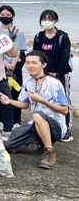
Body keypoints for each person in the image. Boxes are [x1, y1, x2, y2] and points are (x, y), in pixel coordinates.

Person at [1, 51, 69, 169]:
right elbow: (24, 104)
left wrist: (42, 100)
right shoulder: (28, 83)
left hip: (56, 126)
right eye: (27, 63)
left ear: (44, 65)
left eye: (34, 63)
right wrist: (10, 101)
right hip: (35, 124)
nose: (30, 66)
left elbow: (65, 110)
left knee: (37, 115)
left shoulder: (54, 83)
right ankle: (39, 140)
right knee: (10, 146)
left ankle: (49, 151)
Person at [32, 10, 73, 142]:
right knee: (43, 99)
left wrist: (57, 74)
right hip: (42, 74)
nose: (47, 20)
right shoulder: (39, 36)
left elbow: (65, 56)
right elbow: (35, 55)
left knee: (63, 100)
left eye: (50, 18)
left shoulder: (62, 37)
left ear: (56, 20)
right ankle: (45, 126)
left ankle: (66, 129)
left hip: (60, 74)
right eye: (44, 18)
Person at [0, 6, 27, 128]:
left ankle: (16, 121)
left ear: (13, 16)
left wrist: (12, 64)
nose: (5, 17)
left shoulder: (19, 32)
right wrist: (4, 63)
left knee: (16, 93)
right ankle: (2, 120)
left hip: (15, 66)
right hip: (0, 64)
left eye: (8, 14)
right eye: (2, 14)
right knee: (1, 94)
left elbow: (18, 50)